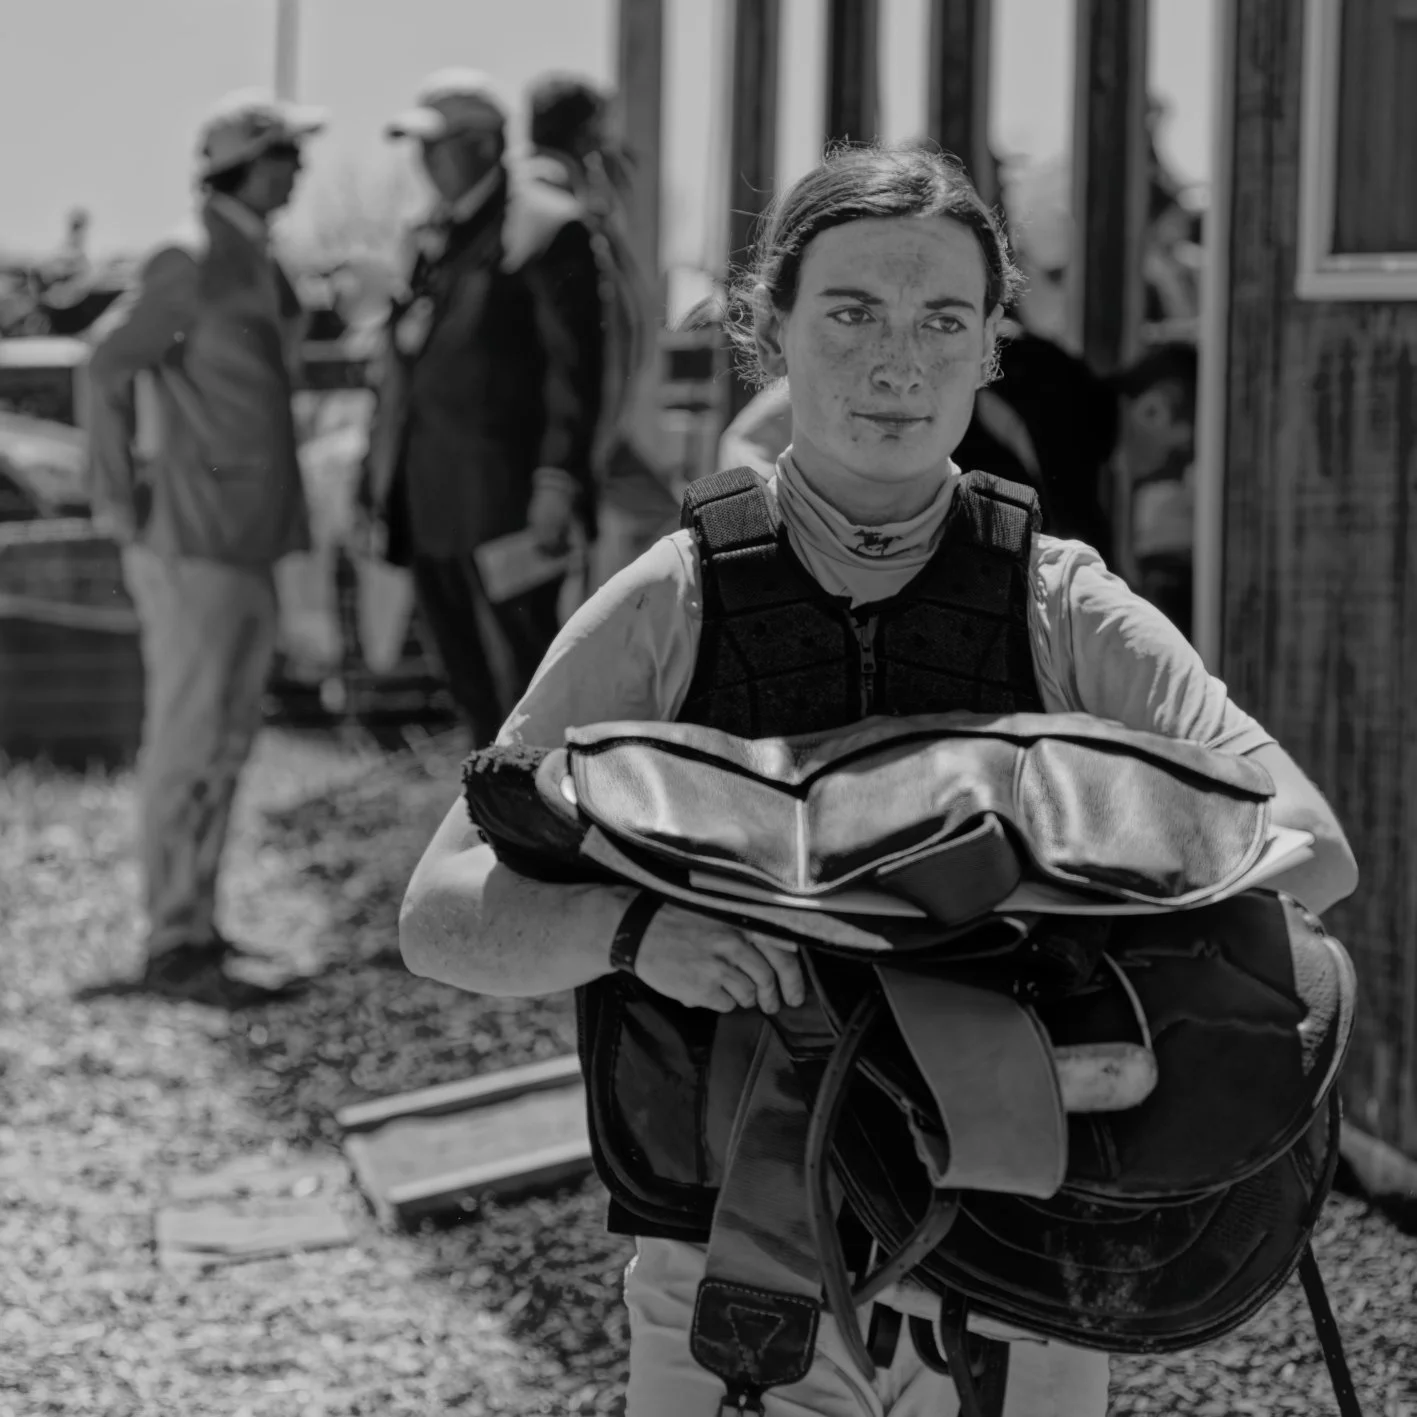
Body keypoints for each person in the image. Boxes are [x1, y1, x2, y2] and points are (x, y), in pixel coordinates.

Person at [398, 146, 1358, 1414]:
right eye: (850, 313)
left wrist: (1055, 899)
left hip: (1025, 1273)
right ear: (769, 330)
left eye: (941, 320)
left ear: (985, 348)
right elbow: (439, 913)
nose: (897, 363)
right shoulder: (676, 599)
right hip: (730, 1279)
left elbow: (1308, 844)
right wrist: (636, 931)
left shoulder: (1059, 599)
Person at [83, 90, 325, 1008]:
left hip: (247, 538)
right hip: (191, 540)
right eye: (285, 155)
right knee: (188, 739)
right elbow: (104, 363)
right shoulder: (188, 256)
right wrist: (119, 496)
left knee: (224, 739)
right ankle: (170, 936)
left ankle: (196, 926)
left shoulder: (253, 259)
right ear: (246, 166)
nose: (298, 170)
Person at [361, 69, 604, 748]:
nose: (423, 160)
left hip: (510, 508)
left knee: (527, 694)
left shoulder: (544, 230)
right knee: (470, 692)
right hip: (432, 506)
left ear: (483, 143)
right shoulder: (430, 243)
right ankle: (488, 835)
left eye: (437, 144)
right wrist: (377, 485)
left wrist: (555, 483)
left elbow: (573, 374)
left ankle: (542, 839)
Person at [523, 73, 680, 588]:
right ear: (588, 129)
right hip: (567, 436)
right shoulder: (551, 199)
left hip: (597, 432)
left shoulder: (576, 194)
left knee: (667, 525)